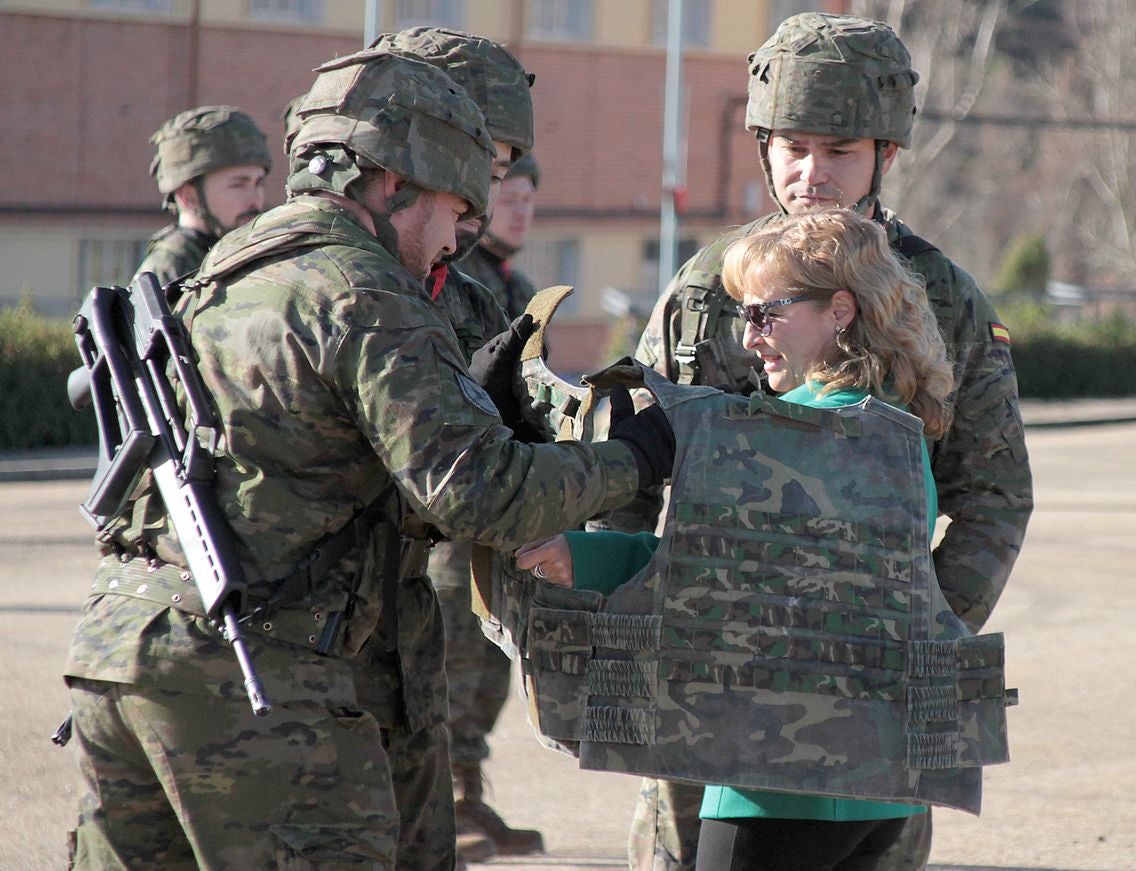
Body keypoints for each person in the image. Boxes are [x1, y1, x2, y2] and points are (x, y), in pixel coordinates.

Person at [62, 48, 674, 870]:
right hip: (253, 677)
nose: (455, 243)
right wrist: (631, 458)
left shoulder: (232, 266)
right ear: (392, 185)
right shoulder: (363, 290)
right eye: (456, 209)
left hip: (118, 659)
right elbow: (482, 493)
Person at [619, 13, 1034, 870]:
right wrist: (636, 628)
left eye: (839, 150)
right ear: (764, 145)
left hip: (868, 704)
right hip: (709, 682)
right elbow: (633, 478)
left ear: (886, 152)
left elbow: (993, 496)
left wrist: (913, 633)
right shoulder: (708, 292)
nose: (812, 173)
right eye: (793, 147)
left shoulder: (944, 300)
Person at [518, 208, 956, 871]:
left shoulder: (794, 433)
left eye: (765, 314)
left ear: (840, 311)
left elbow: (705, 569)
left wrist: (578, 544)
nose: (749, 338)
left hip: (777, 777)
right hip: (882, 784)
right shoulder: (893, 429)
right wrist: (575, 554)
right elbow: (735, 558)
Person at [365, 27, 549, 862]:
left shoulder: (466, 294)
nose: (483, 202)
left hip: (401, 657)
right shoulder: (327, 279)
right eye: (478, 167)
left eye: (503, 174)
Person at [136, 105, 271, 284]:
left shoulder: (244, 255)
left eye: (258, 183)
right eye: (238, 185)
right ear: (188, 196)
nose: (255, 199)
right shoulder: (169, 269)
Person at [460, 153, 540, 318]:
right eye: (509, 200)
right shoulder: (457, 281)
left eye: (527, 199)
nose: (521, 213)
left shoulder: (521, 289)